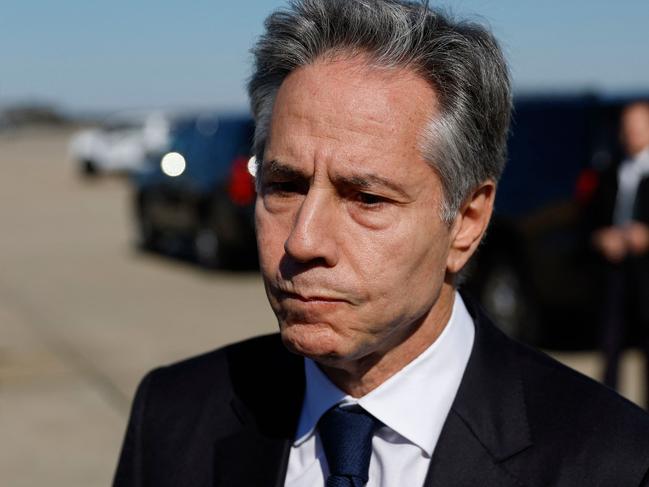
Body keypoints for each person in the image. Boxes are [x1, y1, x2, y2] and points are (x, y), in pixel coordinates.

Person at [114, 1, 649, 486]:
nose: (303, 241)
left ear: (466, 220)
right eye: (283, 186)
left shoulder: (613, 461)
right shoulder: (171, 416)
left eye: (366, 198)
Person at [590, 101, 649, 401]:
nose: (631, 132)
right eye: (627, 126)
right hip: (614, 273)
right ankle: (609, 408)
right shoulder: (609, 170)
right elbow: (589, 220)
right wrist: (603, 239)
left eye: (638, 125)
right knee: (610, 343)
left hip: (645, 274)